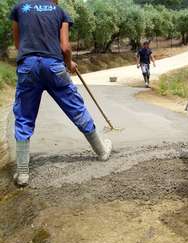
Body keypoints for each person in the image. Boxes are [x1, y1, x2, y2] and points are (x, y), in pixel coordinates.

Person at [10, 0, 112, 187]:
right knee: (75, 108)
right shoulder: (60, 12)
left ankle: (23, 172)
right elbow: (65, 47)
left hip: (28, 66)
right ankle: (102, 151)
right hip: (54, 66)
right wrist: (69, 62)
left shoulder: (19, 8)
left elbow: (18, 44)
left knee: (24, 117)